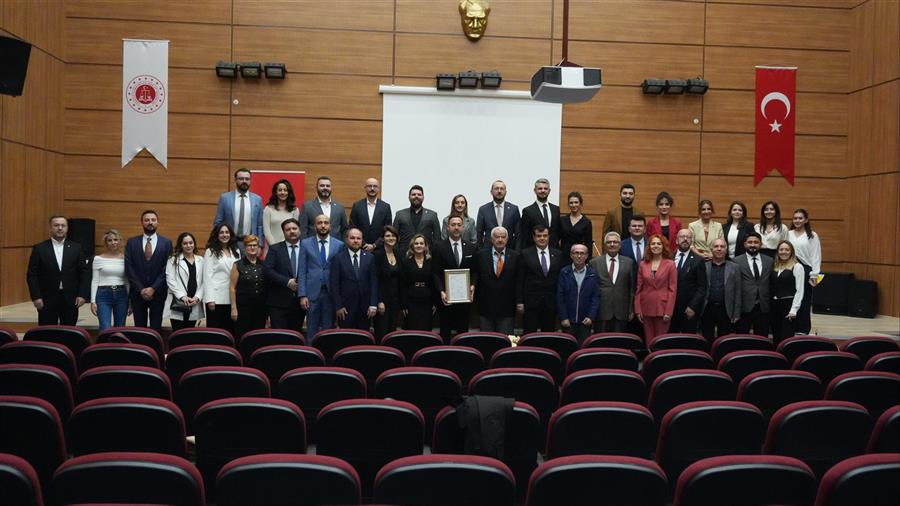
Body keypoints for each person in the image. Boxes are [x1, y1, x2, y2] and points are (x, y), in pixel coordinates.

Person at [27, 215, 90, 325]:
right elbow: (32, 275)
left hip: (71, 299)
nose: (60, 228)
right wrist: (36, 297)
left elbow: (84, 273)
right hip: (46, 299)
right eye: (56, 225)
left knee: (69, 333)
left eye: (63, 225)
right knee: (46, 333)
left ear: (67, 228)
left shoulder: (76, 247)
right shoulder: (39, 248)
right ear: (50, 228)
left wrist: (82, 294)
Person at [125, 210, 173, 332]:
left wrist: (153, 288)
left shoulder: (166, 243)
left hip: (158, 292)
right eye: (147, 220)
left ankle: (154, 351)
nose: (150, 222)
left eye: (153, 220)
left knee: (156, 327)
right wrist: (141, 289)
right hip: (137, 292)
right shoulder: (131, 242)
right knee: (139, 328)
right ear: (141, 222)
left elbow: (167, 268)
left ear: (157, 222)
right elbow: (129, 268)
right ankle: (140, 350)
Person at [433, 215, 477, 341]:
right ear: (448, 228)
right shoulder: (439, 247)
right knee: (445, 333)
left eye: (459, 225)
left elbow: (475, 271)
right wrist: (441, 291)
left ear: (463, 228)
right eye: (453, 225)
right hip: (445, 298)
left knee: (463, 334)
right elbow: (435, 273)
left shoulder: (470, 247)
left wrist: (473, 285)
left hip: (464, 300)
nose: (456, 227)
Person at [299, 214, 344, 336]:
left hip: (330, 293)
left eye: (326, 223)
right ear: (314, 226)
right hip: (312, 294)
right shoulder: (305, 243)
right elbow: (302, 270)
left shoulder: (339, 245)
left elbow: (341, 273)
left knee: (328, 331)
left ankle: (326, 355)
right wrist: (302, 295)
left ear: (330, 226)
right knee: (311, 330)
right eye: (319, 223)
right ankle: (310, 354)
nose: (323, 225)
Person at [472, 226, 520, 335]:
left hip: (507, 308)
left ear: (507, 239)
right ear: (491, 239)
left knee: (505, 342)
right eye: (497, 237)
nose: (500, 239)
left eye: (503, 237)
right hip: (485, 308)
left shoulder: (516, 256)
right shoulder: (481, 255)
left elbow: (518, 281)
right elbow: (476, 277)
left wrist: (519, 301)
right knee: (487, 340)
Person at [330, 228, 379, 330]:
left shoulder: (370, 258)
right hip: (345, 308)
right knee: (347, 338)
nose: (356, 240)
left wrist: (373, 304)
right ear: (347, 240)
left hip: (365, 308)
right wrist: (338, 306)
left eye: (358, 238)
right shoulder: (338, 258)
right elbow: (334, 284)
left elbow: (374, 282)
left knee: (363, 339)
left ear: (362, 240)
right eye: (352, 238)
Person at [517, 225, 563, 334]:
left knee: (548, 334)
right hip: (531, 302)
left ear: (549, 237)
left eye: (545, 236)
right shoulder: (525, 254)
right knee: (529, 333)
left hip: (551, 302)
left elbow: (560, 280)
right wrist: (519, 301)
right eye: (538, 236)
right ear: (533, 237)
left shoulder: (557, 254)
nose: (542, 238)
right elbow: (520, 280)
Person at [263, 218, 305, 331]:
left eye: (294, 228)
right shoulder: (275, 249)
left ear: (299, 230)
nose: (292, 231)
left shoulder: (307, 248)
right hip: (278, 302)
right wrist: (287, 282)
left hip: (299, 302)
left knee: (296, 336)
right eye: (288, 229)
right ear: (283, 232)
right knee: (279, 337)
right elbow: (267, 270)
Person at [634, 234, 677, 341]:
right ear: (649, 246)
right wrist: (638, 310)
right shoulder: (643, 264)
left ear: (663, 246)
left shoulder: (670, 264)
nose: (656, 246)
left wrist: (669, 311)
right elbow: (638, 288)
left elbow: (673, 290)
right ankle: (650, 358)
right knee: (649, 340)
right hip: (646, 307)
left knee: (660, 341)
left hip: (663, 308)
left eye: (659, 243)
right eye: (653, 243)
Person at [589, 231, 635, 332]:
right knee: (601, 342)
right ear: (605, 245)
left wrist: (631, 310)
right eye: (609, 242)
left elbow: (632, 288)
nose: (612, 244)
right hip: (601, 310)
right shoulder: (594, 262)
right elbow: (591, 289)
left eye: (615, 242)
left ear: (620, 245)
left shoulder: (629, 262)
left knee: (619, 342)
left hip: (622, 311)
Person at [788, 208, 821, 335]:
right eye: (795, 218)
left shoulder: (812, 235)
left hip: (806, 269)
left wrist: (815, 274)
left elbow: (815, 255)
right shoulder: (788, 234)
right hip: (790, 268)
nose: (797, 220)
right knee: (791, 297)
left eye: (800, 218)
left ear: (806, 220)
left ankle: (803, 329)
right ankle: (790, 325)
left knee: (804, 299)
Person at [557, 244, 600, 343]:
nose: (579, 256)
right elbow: (560, 297)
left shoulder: (592, 274)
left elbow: (595, 297)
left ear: (587, 256)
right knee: (567, 348)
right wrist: (563, 317)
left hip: (585, 321)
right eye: (576, 253)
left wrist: (591, 316)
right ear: (571, 255)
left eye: (582, 253)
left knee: (583, 348)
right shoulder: (564, 272)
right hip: (568, 321)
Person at [701, 238, 741, 342]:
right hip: (707, 308)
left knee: (724, 341)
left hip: (726, 309)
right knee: (706, 339)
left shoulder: (735, 267)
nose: (719, 249)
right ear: (711, 249)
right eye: (716, 246)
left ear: (726, 250)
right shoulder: (703, 266)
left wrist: (736, 312)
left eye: (722, 247)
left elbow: (738, 291)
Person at [213, 168, 263, 251]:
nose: (244, 181)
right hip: (229, 243)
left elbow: (260, 225)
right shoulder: (225, 198)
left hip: (250, 244)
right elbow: (218, 222)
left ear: (250, 180)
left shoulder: (257, 199)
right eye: (241, 178)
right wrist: (218, 243)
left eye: (247, 179)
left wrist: (260, 245)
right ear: (235, 180)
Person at [90, 229, 130, 330]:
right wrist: (92, 301)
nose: (113, 242)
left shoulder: (126, 259)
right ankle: (104, 346)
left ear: (120, 241)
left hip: (122, 294)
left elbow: (127, 281)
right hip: (103, 295)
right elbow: (95, 280)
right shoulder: (98, 259)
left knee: (120, 328)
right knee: (105, 328)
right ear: (106, 242)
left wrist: (130, 300)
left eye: (115, 239)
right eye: (110, 240)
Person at [734, 232, 773, 336]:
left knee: (762, 338)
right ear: (745, 244)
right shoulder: (736, 261)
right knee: (742, 339)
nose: (752, 245)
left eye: (756, 242)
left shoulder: (769, 261)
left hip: (763, 307)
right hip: (743, 307)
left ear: (761, 244)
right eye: (750, 242)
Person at [203, 224, 239, 336]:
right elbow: (207, 276)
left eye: (227, 232)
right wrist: (210, 299)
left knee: (230, 331)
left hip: (232, 298)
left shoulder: (236, 250)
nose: (225, 235)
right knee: (215, 333)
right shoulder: (211, 251)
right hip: (216, 299)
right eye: (221, 232)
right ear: (216, 235)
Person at [229, 234, 267, 338]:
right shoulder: (237, 265)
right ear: (245, 248)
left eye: (255, 245)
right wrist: (233, 308)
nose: (252, 247)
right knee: (243, 335)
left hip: (260, 308)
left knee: (258, 335)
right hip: (243, 308)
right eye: (249, 245)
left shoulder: (264, 265)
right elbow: (232, 288)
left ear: (258, 248)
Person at [670, 229, 707, 334]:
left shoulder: (698, 260)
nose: (685, 239)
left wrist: (693, 306)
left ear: (692, 241)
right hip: (670, 309)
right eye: (682, 237)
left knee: (689, 341)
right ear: (677, 240)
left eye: (688, 237)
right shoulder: (668, 258)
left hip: (689, 309)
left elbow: (702, 287)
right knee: (670, 340)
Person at [165, 232, 204, 330]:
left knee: (190, 333)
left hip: (194, 302)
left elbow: (204, 282)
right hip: (179, 302)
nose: (188, 245)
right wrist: (182, 296)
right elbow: (170, 280)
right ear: (180, 245)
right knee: (178, 332)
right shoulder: (173, 260)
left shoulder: (201, 260)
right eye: (185, 243)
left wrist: (197, 297)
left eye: (191, 243)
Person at [399, 234, 438, 330]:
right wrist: (403, 304)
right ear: (412, 246)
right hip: (411, 300)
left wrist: (435, 302)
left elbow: (435, 283)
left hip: (427, 300)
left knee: (426, 329)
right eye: (416, 243)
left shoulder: (431, 262)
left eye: (421, 243)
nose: (419, 245)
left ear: (425, 246)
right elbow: (402, 284)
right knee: (411, 330)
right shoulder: (406, 262)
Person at [770, 240, 805, 345]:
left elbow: (800, 290)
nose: (783, 252)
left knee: (786, 339)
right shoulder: (775, 266)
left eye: (787, 249)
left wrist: (794, 310)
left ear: (791, 252)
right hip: (775, 306)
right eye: (781, 249)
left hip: (788, 306)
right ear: (777, 252)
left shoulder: (797, 267)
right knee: (776, 336)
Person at [393, 185, 442, 253]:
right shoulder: (400, 214)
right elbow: (394, 236)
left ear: (423, 197)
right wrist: (396, 252)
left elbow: (437, 238)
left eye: (419, 194)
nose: (416, 196)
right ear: (409, 197)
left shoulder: (432, 215)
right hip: (404, 255)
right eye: (413, 194)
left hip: (426, 255)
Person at [373, 226, 402, 339]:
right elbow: (375, 280)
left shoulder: (397, 253)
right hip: (382, 301)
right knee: (382, 332)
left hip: (395, 300)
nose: (391, 238)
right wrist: (379, 300)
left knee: (392, 332)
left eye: (393, 235)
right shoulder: (377, 255)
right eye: (388, 236)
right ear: (383, 238)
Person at [349, 178, 393, 252]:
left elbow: (388, 229)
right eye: (369, 186)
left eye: (375, 186)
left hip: (379, 249)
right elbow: (352, 227)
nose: (372, 188)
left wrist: (375, 245)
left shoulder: (386, 207)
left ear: (378, 189)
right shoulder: (357, 206)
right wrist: (363, 244)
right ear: (365, 188)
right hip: (360, 248)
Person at [475, 180, 520, 249]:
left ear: (505, 192)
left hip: (510, 251)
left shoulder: (514, 209)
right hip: (488, 251)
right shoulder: (483, 210)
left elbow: (518, 233)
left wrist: (517, 252)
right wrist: (480, 252)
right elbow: (479, 233)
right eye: (496, 188)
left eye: (502, 189)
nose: (499, 191)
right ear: (491, 192)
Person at [519, 178, 560, 250]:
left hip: (553, 251)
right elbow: (524, 235)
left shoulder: (556, 209)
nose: (543, 191)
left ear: (549, 191)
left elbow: (557, 232)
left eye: (545, 188)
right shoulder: (528, 211)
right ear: (535, 191)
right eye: (540, 188)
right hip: (534, 251)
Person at [262, 178, 300, 255]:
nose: (282, 192)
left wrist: (285, 247)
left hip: (289, 249)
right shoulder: (268, 209)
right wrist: (275, 247)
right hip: (271, 249)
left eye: (285, 190)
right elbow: (266, 230)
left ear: (289, 192)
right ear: (275, 192)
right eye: (280, 190)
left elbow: (295, 231)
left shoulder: (294, 210)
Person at [559, 191, 593, 266]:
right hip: (564, 257)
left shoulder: (586, 222)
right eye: (571, 203)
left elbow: (588, 243)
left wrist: (587, 261)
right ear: (568, 205)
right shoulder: (562, 220)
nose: (573, 205)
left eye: (576, 202)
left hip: (579, 257)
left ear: (581, 204)